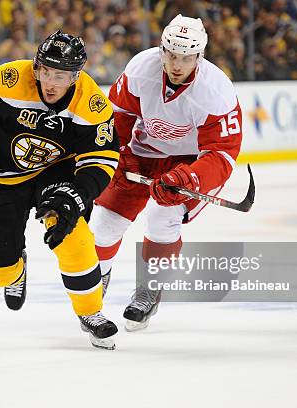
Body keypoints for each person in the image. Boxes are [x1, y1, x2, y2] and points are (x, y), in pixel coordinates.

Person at [0, 31, 120, 349]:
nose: (51, 82)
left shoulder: (91, 104)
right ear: (37, 67)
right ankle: (15, 270)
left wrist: (75, 196)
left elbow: (101, 161)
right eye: (47, 71)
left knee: (70, 232)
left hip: (54, 173)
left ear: (75, 76)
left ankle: (91, 312)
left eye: (61, 75)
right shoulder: (7, 79)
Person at [90, 15, 243, 331]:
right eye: (171, 55)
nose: (177, 64)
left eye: (186, 58)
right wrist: (117, 156)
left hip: (189, 164)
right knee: (105, 223)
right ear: (161, 49)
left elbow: (222, 155)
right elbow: (116, 117)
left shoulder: (216, 90)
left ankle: (149, 288)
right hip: (141, 153)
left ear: (199, 56)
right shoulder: (139, 69)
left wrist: (188, 179)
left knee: (162, 218)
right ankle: (93, 286)